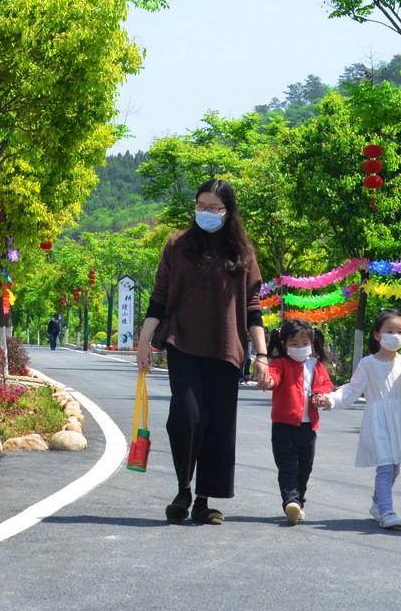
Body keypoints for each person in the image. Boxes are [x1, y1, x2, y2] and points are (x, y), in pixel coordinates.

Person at [136, 179, 271, 526]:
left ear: (228, 212)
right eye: (201, 206)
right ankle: (183, 487)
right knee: (187, 416)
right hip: (183, 342)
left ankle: (203, 500)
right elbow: (159, 297)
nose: (206, 213)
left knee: (217, 426)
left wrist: (262, 355)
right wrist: (144, 343)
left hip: (227, 348)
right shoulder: (177, 245)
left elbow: (253, 309)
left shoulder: (242, 253)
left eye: (214, 208)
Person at [331, 308, 401, 531]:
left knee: (394, 467)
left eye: (399, 331)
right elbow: (352, 390)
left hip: (400, 419)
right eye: (389, 330)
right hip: (377, 420)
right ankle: (387, 510)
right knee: (384, 466)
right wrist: (331, 400)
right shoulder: (368, 363)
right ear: (377, 335)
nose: (395, 335)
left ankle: (377, 502)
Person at [265, 318, 335, 526]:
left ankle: (298, 503)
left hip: (309, 428)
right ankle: (291, 501)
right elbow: (273, 377)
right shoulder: (280, 364)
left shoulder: (316, 366)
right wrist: (268, 381)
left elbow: (326, 384)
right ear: (285, 344)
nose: (300, 348)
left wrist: (321, 395)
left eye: (304, 343)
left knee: (305, 467)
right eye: (294, 344)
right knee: (287, 468)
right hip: (283, 427)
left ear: (312, 344)